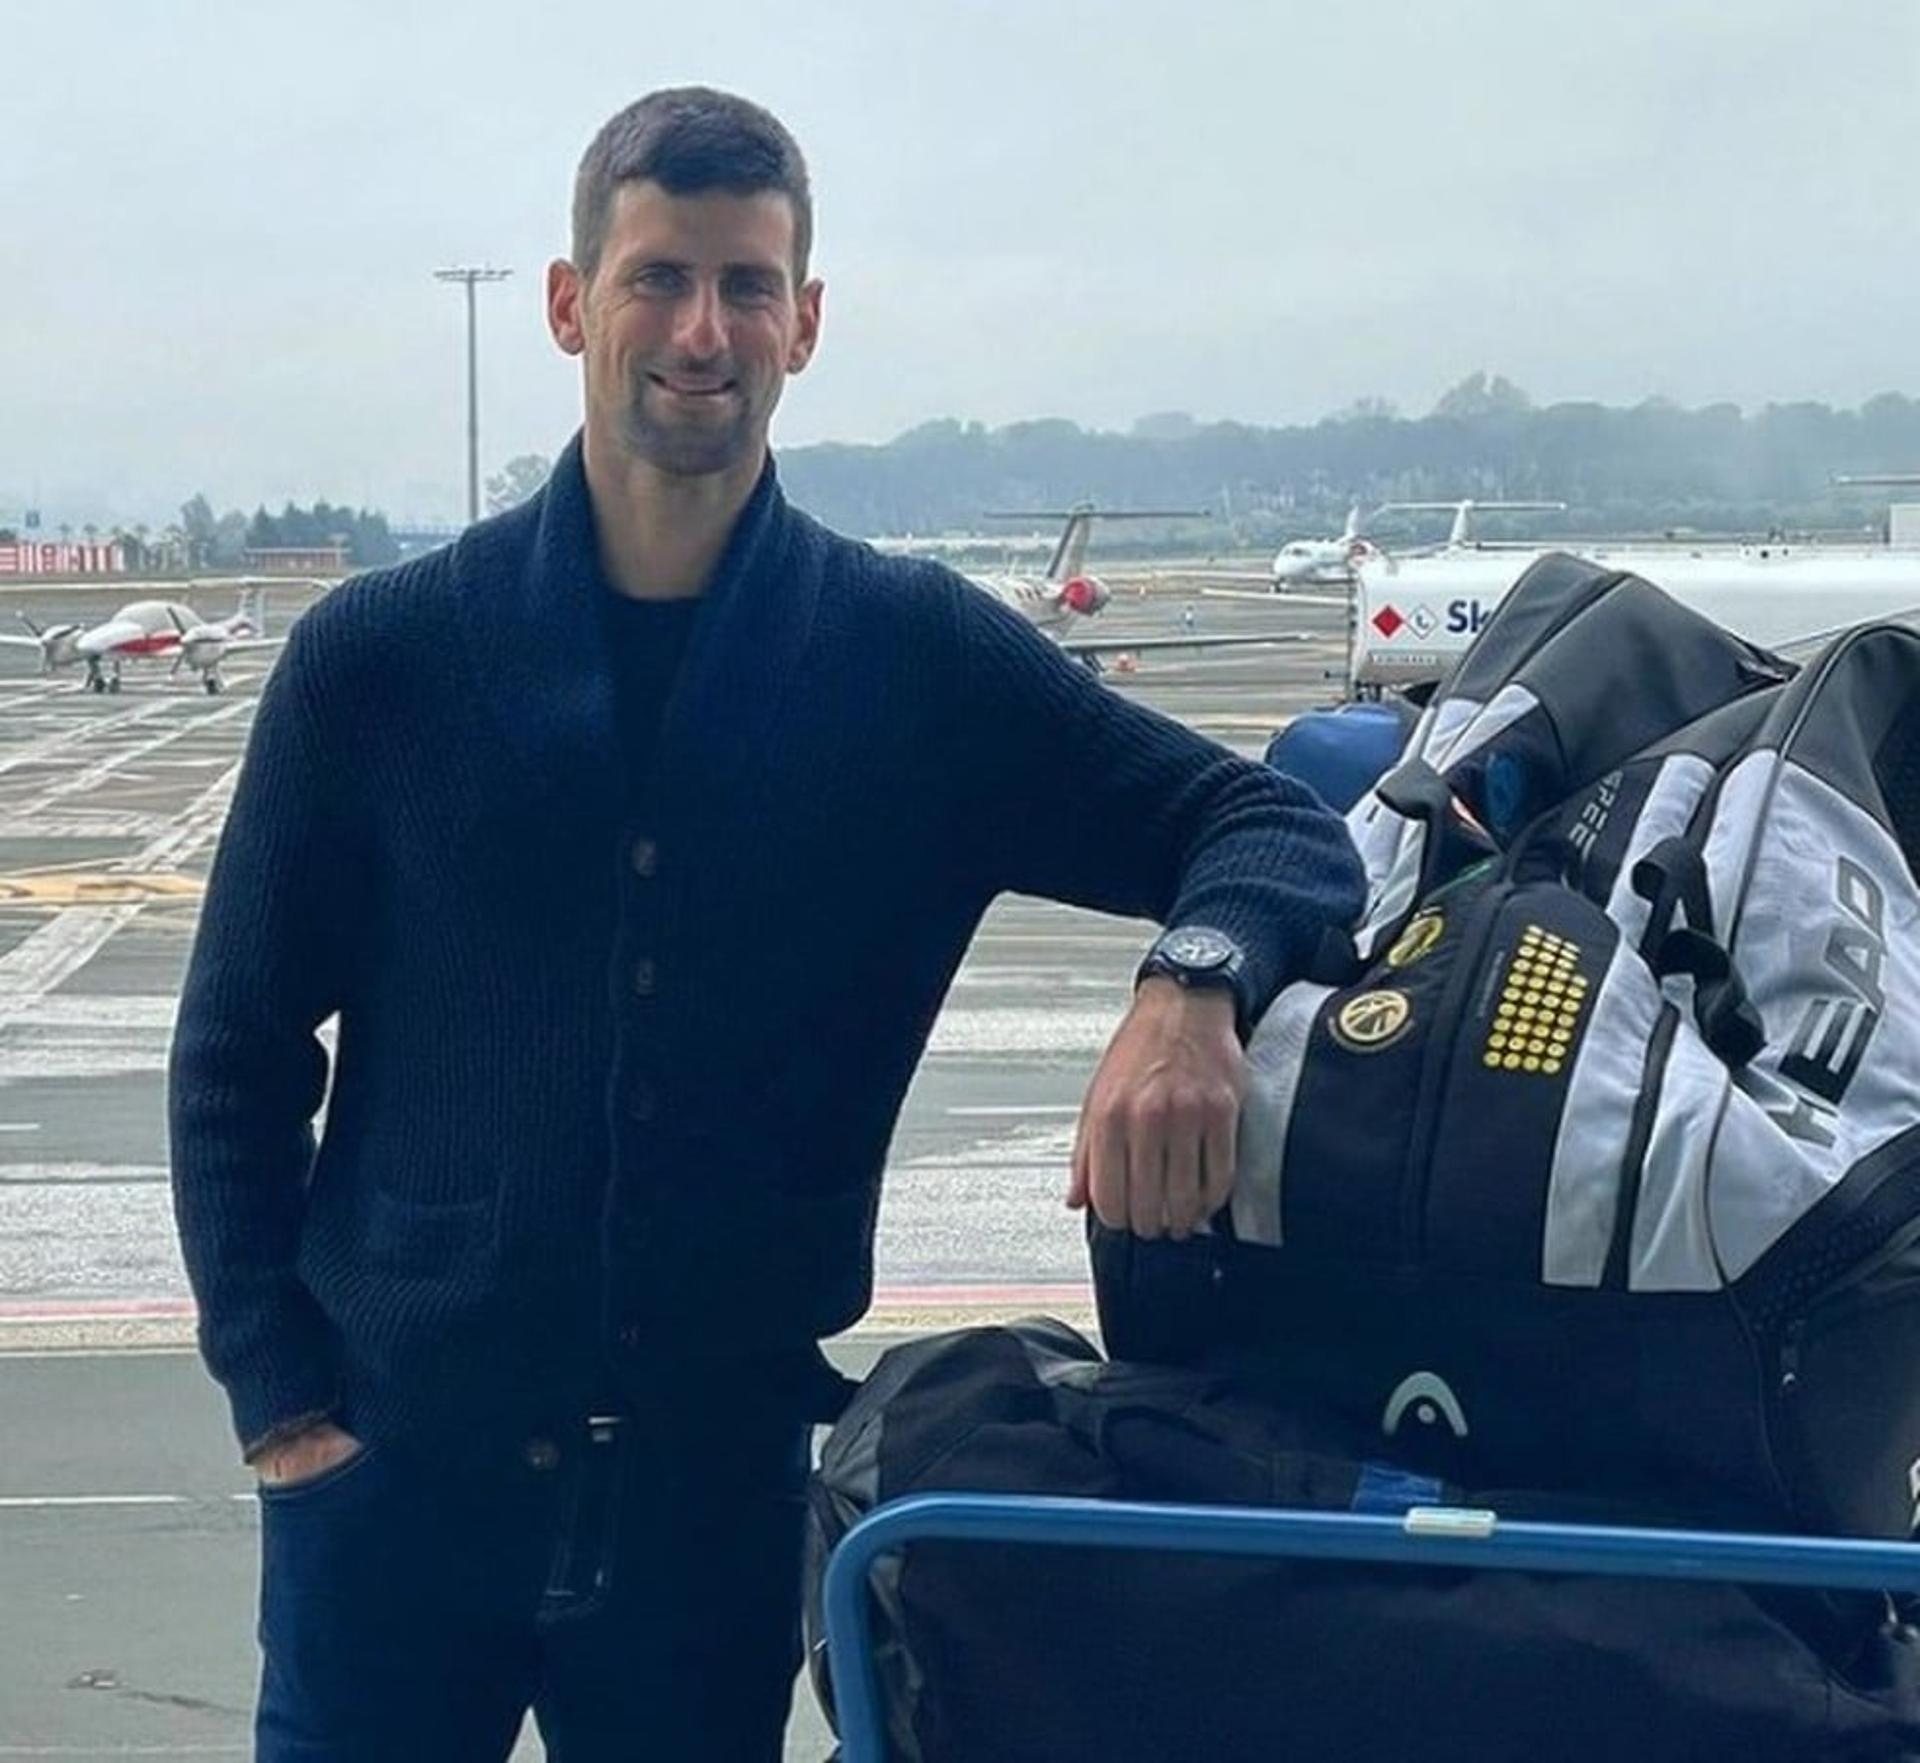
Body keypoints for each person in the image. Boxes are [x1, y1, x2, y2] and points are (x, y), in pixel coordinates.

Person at [168, 85, 1365, 1761]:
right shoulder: (380, 661)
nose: (700, 328)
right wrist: (278, 1398)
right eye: (658, 277)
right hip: (392, 1490)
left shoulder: (911, 659)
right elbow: (234, 1044)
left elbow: (1269, 826)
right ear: (571, 303)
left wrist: (1192, 985)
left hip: (706, 1505)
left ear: (805, 322)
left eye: (745, 285)